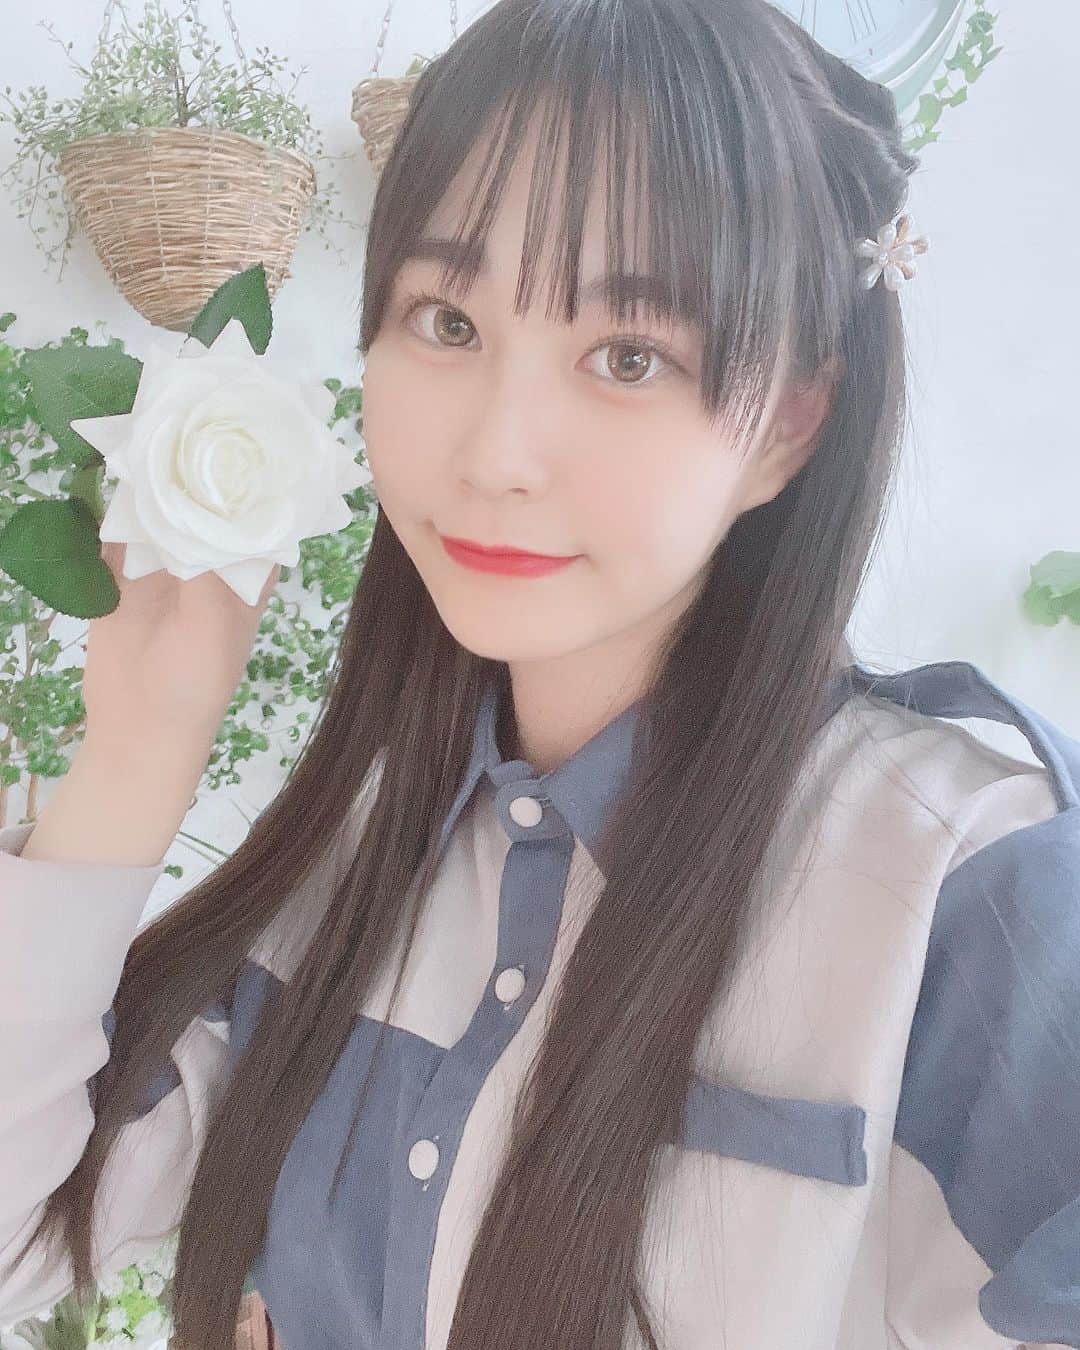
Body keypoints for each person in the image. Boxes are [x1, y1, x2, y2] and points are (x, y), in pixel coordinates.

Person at [1, 0, 1078, 1347]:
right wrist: (138, 752)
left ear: (790, 424)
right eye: (448, 320)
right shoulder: (352, 860)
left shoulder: (960, 876)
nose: (497, 453)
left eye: (629, 356)